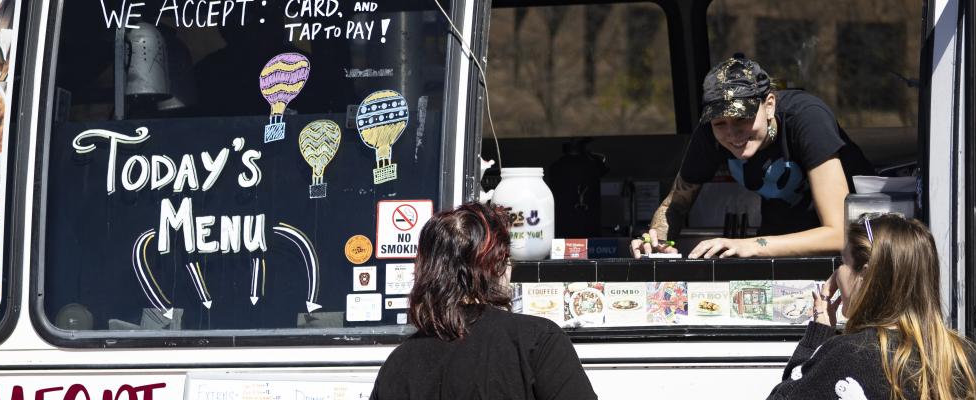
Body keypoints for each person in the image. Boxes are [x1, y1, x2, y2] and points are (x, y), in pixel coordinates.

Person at [631, 54, 873, 259]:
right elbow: (676, 204)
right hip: (777, 244)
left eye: (742, 120)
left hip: (857, 252)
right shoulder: (710, 133)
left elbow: (840, 232)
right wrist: (657, 242)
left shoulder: (807, 118)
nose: (732, 134)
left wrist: (749, 245)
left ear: (769, 105)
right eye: (720, 123)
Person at [371, 203, 596, 400]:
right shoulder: (537, 342)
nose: (511, 268)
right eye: (506, 259)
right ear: (494, 267)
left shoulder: (398, 364)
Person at [767, 213, 976, 400]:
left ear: (865, 276)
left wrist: (818, 333)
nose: (837, 274)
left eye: (843, 262)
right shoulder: (967, 358)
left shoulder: (849, 354)